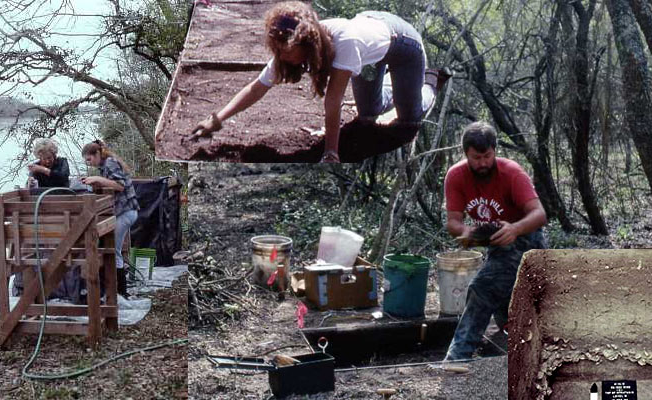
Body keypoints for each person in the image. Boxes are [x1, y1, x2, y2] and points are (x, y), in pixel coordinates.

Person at [191, 1, 450, 163]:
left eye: (286, 51)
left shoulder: (345, 43)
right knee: (369, 113)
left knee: (409, 118)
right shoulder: (291, 44)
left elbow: (333, 102)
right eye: (278, 50)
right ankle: (397, 85)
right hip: (372, 40)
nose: (281, 56)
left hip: (403, 44)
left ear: (307, 42)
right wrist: (217, 119)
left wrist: (331, 153)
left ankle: (428, 81)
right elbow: (257, 87)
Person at [443, 121, 547, 361]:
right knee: (506, 297)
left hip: (525, 238)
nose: (482, 163)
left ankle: (458, 357)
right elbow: (453, 221)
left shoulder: (511, 172)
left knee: (483, 288)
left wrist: (515, 228)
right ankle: (518, 343)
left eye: (487, 156)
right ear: (466, 154)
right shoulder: (456, 176)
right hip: (495, 242)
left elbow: (539, 214)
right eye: (476, 158)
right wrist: (467, 232)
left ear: (495, 151)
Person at [81, 140, 139, 296]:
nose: (89, 163)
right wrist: (96, 183)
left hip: (126, 211)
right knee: (113, 249)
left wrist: (98, 180)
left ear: (97, 154)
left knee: (114, 251)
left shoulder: (110, 163)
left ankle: (120, 293)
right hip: (125, 212)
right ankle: (113, 291)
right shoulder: (104, 166)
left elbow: (120, 185)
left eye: (89, 159)